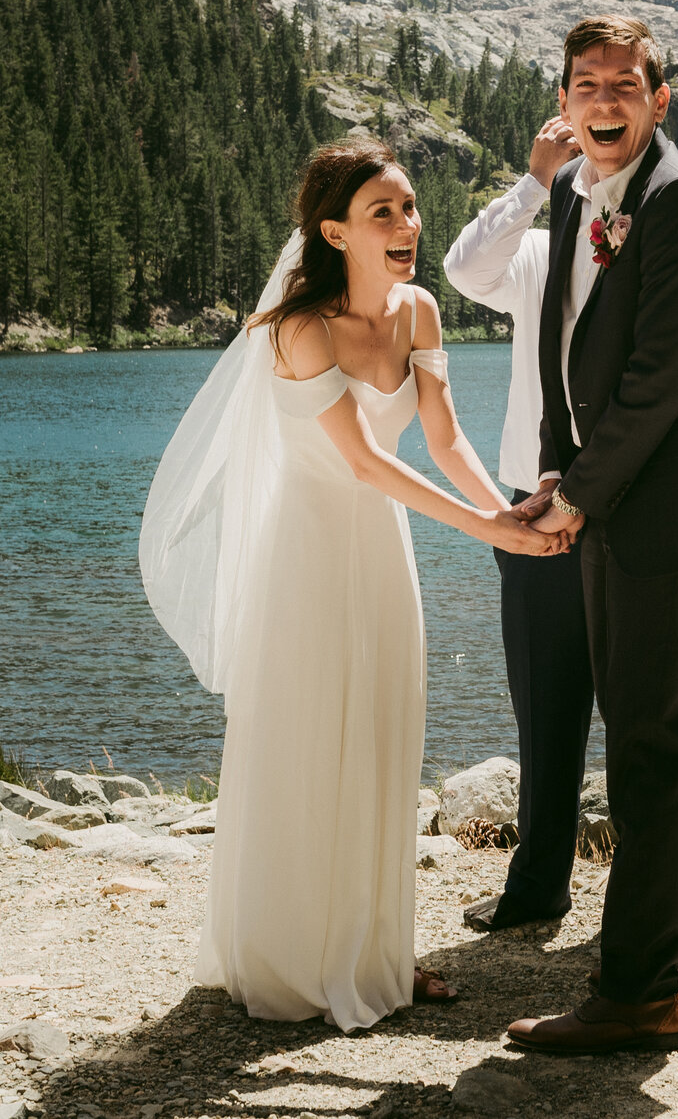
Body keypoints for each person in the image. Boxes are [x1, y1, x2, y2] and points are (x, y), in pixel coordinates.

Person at [138, 139, 567, 1033]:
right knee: (307, 741)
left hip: (383, 555)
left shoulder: (419, 312)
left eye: (410, 207)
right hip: (308, 555)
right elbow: (366, 461)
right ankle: (294, 955)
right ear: (333, 231)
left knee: (380, 741)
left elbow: (444, 443)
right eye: (384, 211)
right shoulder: (300, 328)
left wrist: (515, 512)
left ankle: (377, 954)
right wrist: (490, 531)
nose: (408, 224)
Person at [506, 15, 678, 1056]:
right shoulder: (578, 197)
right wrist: (551, 470)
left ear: (660, 101)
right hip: (615, 496)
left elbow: (663, 382)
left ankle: (637, 989)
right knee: (654, 724)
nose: (604, 99)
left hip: (673, 505)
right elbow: (564, 353)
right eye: (586, 83)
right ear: (564, 103)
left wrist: (578, 497)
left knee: (645, 745)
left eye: (625, 82)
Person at [443, 113, 678, 935]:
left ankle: (671, 934)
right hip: (538, 513)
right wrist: (535, 182)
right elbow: (460, 266)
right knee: (545, 712)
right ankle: (538, 885)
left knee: (646, 727)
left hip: (632, 517)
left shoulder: (672, 236)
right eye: (579, 98)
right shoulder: (540, 249)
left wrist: (638, 475)